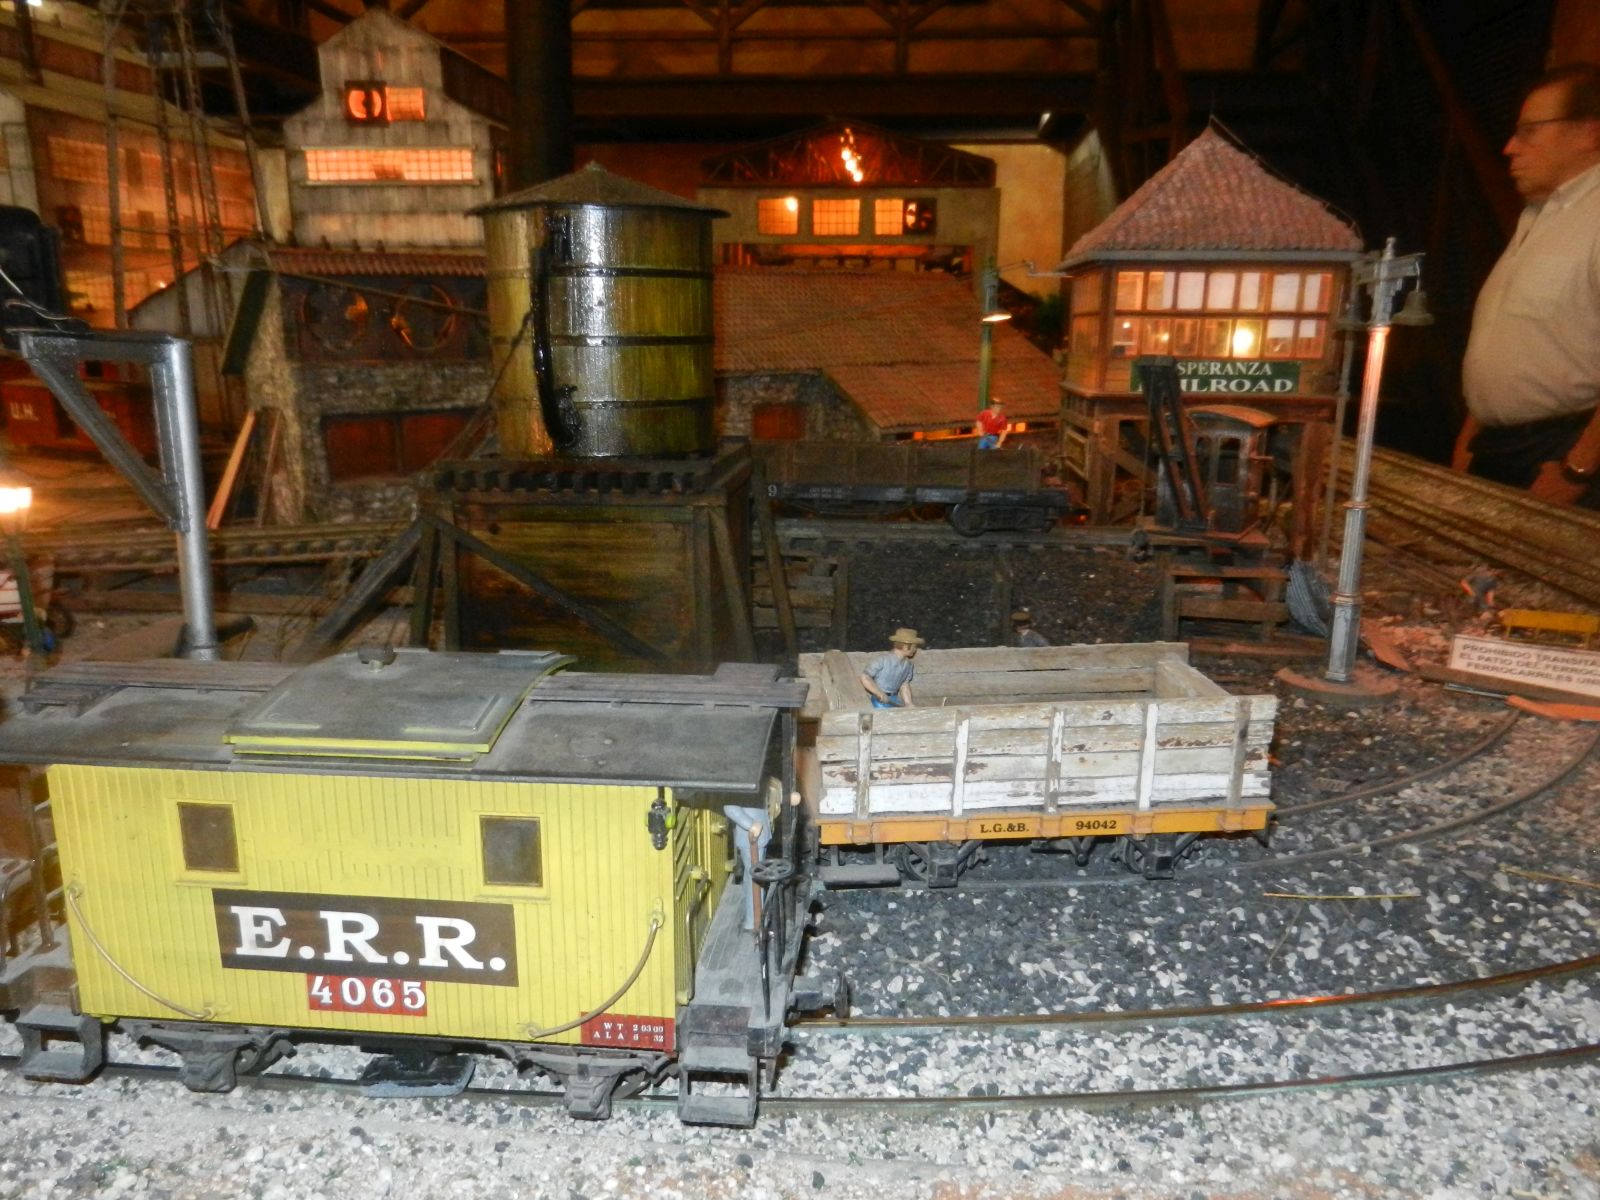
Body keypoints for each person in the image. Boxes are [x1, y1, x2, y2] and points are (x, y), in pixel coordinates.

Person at [1456, 63, 1600, 509]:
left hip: (1561, 454)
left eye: (1529, 131)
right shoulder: (1539, 217)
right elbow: (1517, 341)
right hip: (1500, 450)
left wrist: (1578, 469)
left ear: (1589, 133)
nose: (1509, 147)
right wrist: (1470, 439)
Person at [859, 627, 922, 708]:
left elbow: (904, 684)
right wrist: (879, 693)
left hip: (893, 699)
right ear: (905, 646)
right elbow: (865, 677)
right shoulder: (883, 660)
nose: (915, 649)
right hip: (880, 700)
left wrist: (908, 703)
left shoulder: (908, 665)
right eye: (914, 646)